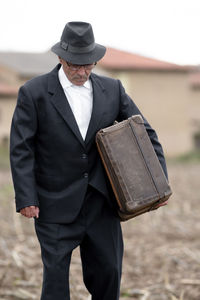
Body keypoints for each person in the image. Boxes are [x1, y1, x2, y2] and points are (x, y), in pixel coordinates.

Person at [10, 21, 168, 300]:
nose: (82, 72)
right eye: (75, 65)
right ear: (60, 57)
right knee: (56, 281)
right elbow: (22, 148)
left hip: (101, 203)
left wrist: (159, 183)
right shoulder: (33, 93)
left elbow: (144, 132)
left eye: (88, 65)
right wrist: (26, 197)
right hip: (53, 204)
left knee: (109, 274)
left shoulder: (113, 89)